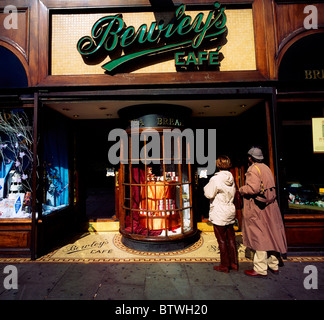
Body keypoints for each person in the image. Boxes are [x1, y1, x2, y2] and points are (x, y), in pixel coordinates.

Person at [239, 147, 287, 277]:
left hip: (258, 207)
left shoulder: (253, 169)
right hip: (270, 206)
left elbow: (253, 189)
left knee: (259, 235)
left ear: (250, 157)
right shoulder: (266, 167)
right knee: (271, 233)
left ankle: (260, 268)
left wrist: (242, 189)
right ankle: (274, 264)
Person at [204, 155, 238, 273]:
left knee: (222, 240)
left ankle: (224, 265)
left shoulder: (216, 179)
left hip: (219, 211)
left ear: (218, 164)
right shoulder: (231, 177)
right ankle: (234, 263)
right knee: (231, 238)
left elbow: (209, 194)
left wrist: (205, 187)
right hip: (230, 209)